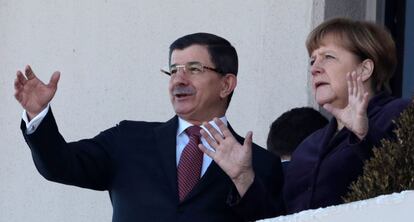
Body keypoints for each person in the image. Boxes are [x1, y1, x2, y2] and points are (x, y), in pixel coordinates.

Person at [14, 33, 284, 222]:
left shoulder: (260, 164)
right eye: (173, 70)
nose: (178, 79)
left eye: (193, 69)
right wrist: (38, 114)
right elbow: (60, 165)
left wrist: (242, 180)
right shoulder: (128, 140)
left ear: (226, 84)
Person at [198, 18, 411, 215]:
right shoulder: (308, 146)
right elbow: (281, 218)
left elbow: (399, 188)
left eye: (328, 57)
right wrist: (243, 177)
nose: (315, 69)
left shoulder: (402, 117)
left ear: (364, 69)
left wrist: (364, 137)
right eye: (312, 61)